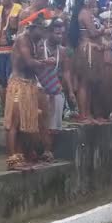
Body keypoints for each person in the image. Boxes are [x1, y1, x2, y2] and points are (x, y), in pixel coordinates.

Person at [3, 12, 53, 170]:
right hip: (19, 85)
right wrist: (46, 62)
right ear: (34, 28)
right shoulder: (23, 39)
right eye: (43, 30)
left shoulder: (33, 41)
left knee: (27, 123)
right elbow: (29, 62)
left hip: (29, 85)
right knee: (14, 123)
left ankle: (22, 154)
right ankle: (13, 159)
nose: (45, 34)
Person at [36, 17, 75, 162]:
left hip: (55, 89)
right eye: (57, 33)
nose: (60, 36)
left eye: (62, 34)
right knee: (40, 120)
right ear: (49, 32)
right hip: (39, 88)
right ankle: (37, 149)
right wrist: (43, 62)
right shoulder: (39, 46)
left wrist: (70, 91)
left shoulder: (63, 51)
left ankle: (48, 150)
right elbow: (30, 64)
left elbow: (66, 72)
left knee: (54, 124)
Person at [69, 0, 108, 123]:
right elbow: (93, 33)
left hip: (92, 49)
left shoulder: (88, 13)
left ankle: (88, 115)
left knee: (90, 83)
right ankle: (83, 115)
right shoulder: (84, 13)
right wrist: (103, 27)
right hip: (87, 49)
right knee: (84, 83)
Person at [0, 0, 22, 105]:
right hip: (0, 49)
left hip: (13, 50)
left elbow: (21, 30)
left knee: (12, 78)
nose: (1, 1)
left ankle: (13, 107)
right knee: (0, 80)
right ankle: (6, 108)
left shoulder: (19, 9)